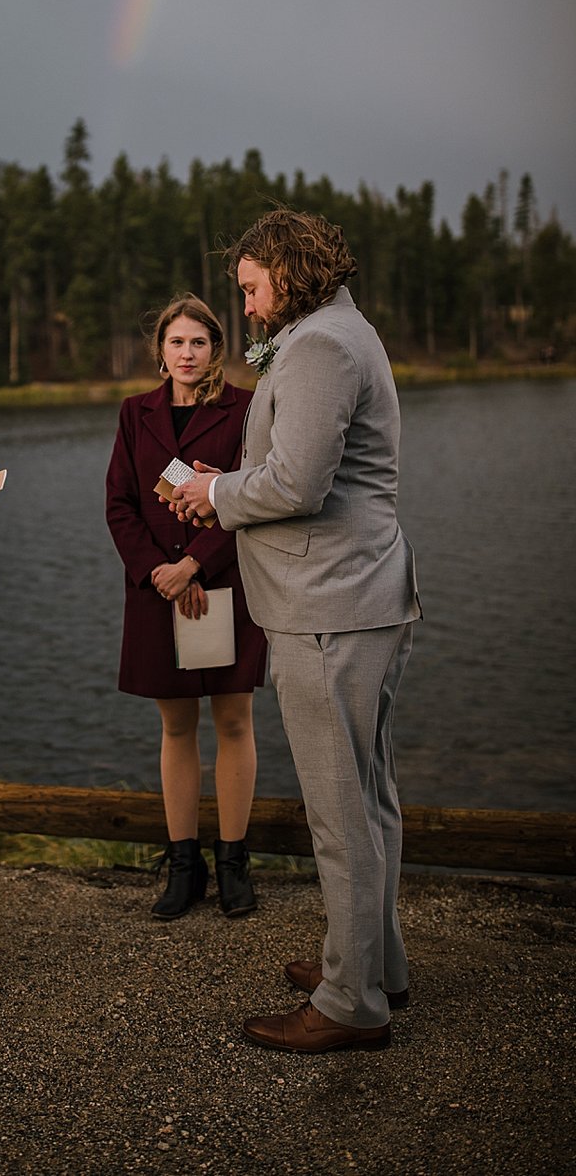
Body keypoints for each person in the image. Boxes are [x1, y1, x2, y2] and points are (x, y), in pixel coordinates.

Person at [173, 211, 421, 1053]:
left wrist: (213, 497)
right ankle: (375, 963)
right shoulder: (346, 329)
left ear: (287, 270)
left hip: (330, 609)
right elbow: (298, 471)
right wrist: (233, 481)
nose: (244, 307)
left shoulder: (317, 345)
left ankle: (351, 1002)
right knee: (371, 796)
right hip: (363, 598)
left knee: (339, 812)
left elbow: (303, 485)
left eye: (249, 287)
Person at [106, 294, 267, 919]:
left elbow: (251, 497)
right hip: (155, 593)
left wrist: (194, 564)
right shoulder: (134, 413)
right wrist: (160, 572)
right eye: (177, 342)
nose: (187, 354)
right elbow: (120, 503)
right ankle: (183, 864)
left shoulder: (245, 409)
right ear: (161, 351)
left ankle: (233, 862)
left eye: (198, 342)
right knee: (176, 729)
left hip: (225, 585)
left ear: (215, 348)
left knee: (233, 723)